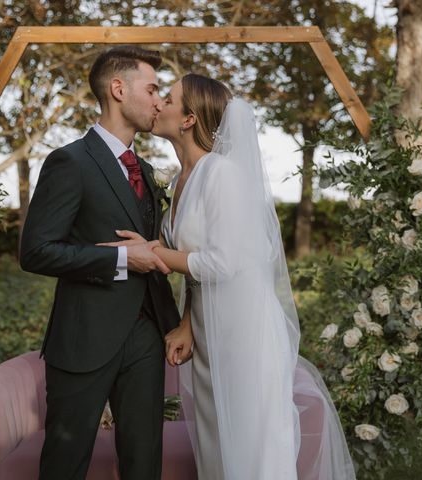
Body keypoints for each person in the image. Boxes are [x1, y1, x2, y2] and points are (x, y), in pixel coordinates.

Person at [116, 73, 356, 479]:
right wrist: (188, 325)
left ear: (190, 118)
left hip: (244, 337)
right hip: (210, 335)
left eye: (168, 99)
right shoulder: (178, 181)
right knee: (217, 451)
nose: (158, 104)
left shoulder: (222, 174)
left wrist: (152, 252)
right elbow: (198, 271)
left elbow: (222, 263)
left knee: (251, 452)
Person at [19, 45, 181, 480]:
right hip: (83, 338)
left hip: (146, 336)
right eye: (151, 89)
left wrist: (174, 324)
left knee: (144, 463)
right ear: (117, 89)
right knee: (64, 465)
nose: (158, 100)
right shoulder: (69, 162)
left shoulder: (145, 170)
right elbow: (36, 251)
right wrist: (125, 259)